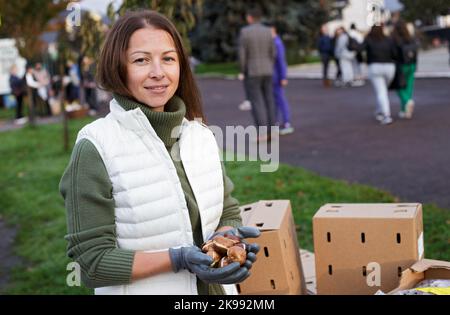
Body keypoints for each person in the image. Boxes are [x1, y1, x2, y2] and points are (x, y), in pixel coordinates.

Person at [59, 10, 260, 295]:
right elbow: (91, 264)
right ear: (118, 68)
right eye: (141, 60)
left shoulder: (200, 135)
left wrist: (227, 239)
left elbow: (226, 210)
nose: (158, 72)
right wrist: (177, 259)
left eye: (168, 58)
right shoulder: (95, 147)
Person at [238, 6, 276, 141]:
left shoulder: (245, 32)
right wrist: (270, 65)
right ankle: (273, 130)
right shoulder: (268, 31)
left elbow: (242, 55)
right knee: (269, 99)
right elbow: (273, 51)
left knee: (257, 101)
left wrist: (242, 70)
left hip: (253, 71)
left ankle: (263, 133)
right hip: (268, 70)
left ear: (250, 18)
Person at [361, 25, 397, 125]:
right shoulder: (388, 40)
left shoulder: (369, 39)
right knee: (383, 91)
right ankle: (379, 111)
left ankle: (386, 115)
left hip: (375, 67)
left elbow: (359, 48)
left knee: (381, 92)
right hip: (389, 67)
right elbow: (395, 53)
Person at [267, 23, 294, 135]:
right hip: (273, 77)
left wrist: (283, 77)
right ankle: (277, 122)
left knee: (281, 100)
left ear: (273, 31)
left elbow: (281, 62)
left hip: (277, 77)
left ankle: (287, 122)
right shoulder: (273, 43)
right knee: (275, 101)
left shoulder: (277, 43)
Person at [391, 20, 418, 119]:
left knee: (399, 87)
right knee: (409, 87)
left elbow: (393, 54)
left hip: (401, 65)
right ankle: (405, 110)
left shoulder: (395, 40)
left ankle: (407, 101)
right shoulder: (410, 38)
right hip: (411, 64)